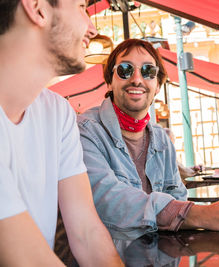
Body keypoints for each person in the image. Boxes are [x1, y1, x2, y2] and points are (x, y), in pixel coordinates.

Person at [78, 38, 219, 239]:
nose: (137, 79)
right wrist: (202, 214)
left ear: (158, 85)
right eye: (125, 69)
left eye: (148, 71)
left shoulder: (161, 139)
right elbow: (107, 200)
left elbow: (177, 196)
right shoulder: (86, 130)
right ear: (109, 82)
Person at [0, 1, 123, 266]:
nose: (91, 28)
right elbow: (29, 261)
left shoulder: (57, 113)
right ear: (37, 8)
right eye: (81, 7)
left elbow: (87, 233)